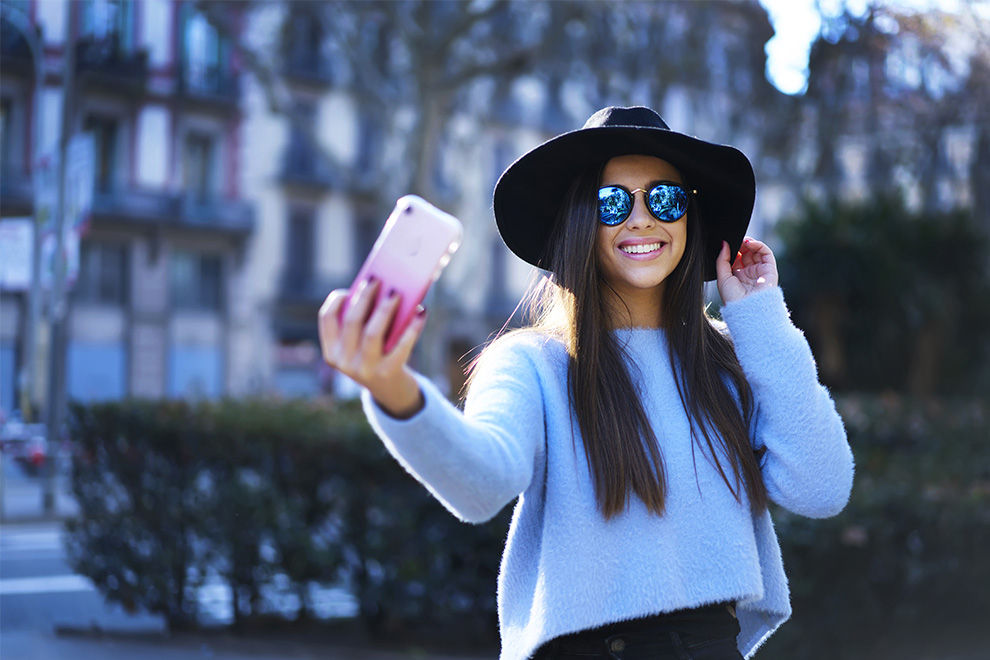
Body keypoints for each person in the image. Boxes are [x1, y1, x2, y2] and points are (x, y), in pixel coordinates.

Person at [317, 106, 855, 660]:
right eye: (612, 202)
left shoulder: (732, 359)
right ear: (580, 221)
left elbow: (821, 489)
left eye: (665, 198)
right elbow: (480, 485)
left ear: (690, 217)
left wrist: (762, 318)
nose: (642, 218)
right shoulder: (530, 361)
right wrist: (392, 389)